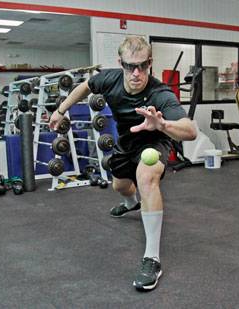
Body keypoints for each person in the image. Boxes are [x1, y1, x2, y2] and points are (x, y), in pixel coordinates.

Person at [50, 36, 197, 291]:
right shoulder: (109, 79)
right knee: (120, 186)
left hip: (155, 142)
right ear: (121, 64)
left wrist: (163, 125)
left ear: (150, 63)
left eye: (142, 66)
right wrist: (61, 110)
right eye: (130, 66)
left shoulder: (160, 93)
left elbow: (190, 130)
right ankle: (131, 204)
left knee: (146, 176)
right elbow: (85, 86)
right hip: (126, 143)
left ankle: (152, 258)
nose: (136, 73)